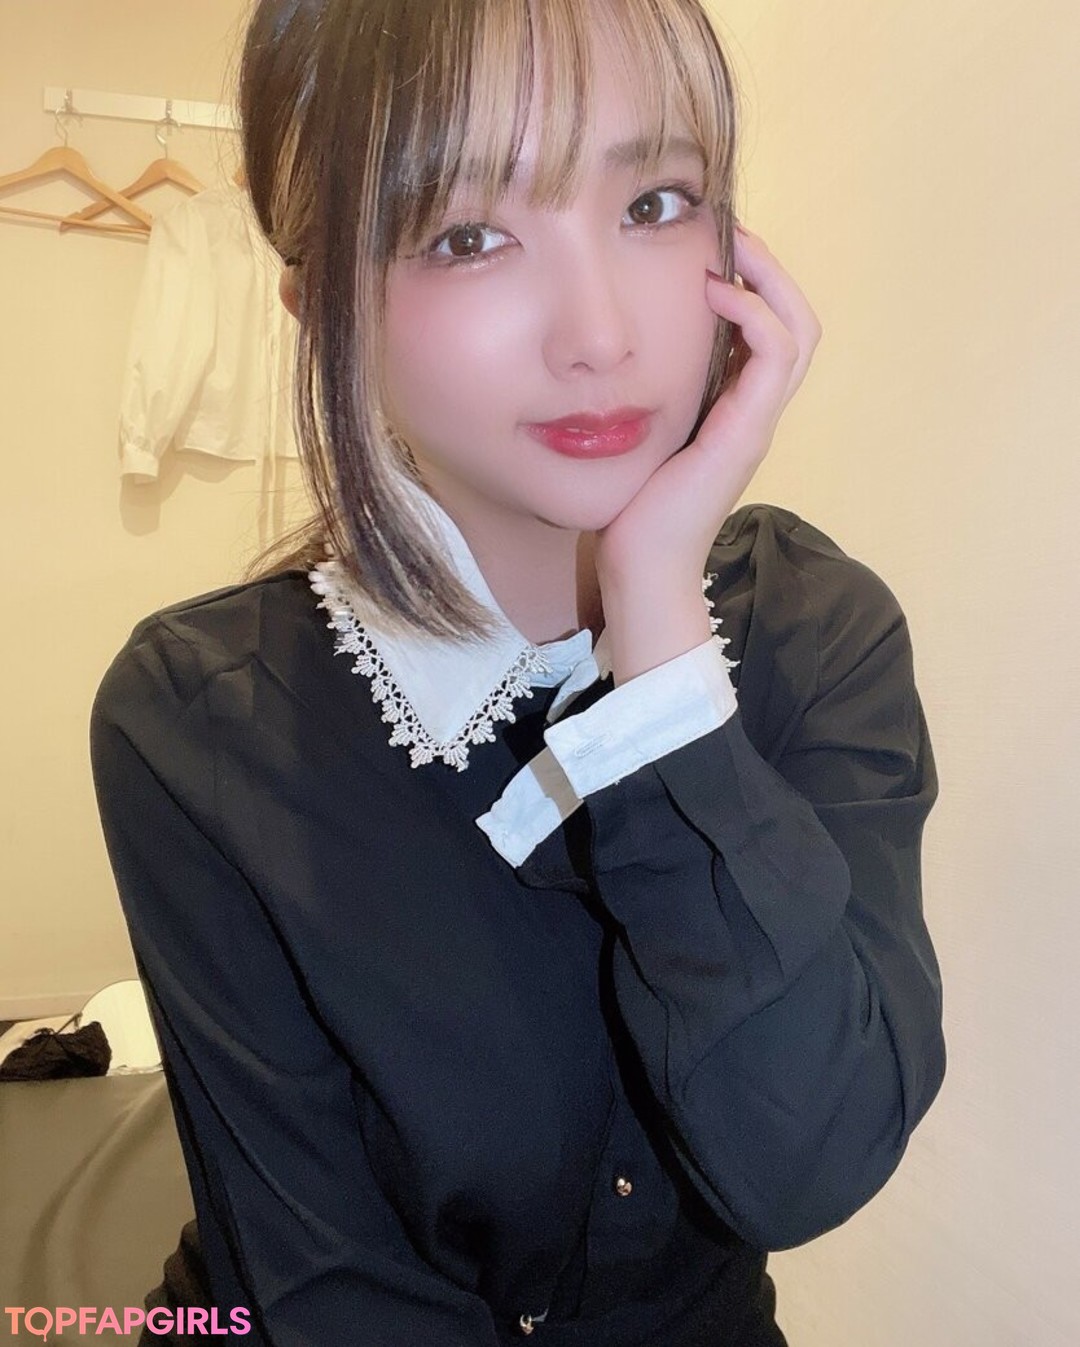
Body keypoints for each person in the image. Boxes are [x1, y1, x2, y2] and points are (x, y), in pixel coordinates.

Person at [89, 0, 946, 1343]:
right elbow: (327, 1296)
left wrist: (657, 644)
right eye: (467, 236)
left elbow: (807, 1161)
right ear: (325, 313)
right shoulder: (199, 718)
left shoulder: (816, 631)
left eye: (654, 203)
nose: (598, 333)